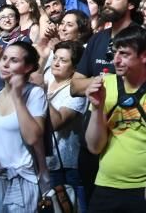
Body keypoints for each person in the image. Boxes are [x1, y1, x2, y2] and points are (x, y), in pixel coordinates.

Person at [85, 25, 146, 213]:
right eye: (115, 53)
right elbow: (94, 147)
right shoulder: (104, 85)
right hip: (106, 186)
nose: (116, 60)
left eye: (124, 54)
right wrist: (97, 108)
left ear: (144, 56)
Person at [0, 42, 48, 213]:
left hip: (23, 179)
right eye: (4, 58)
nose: (5, 64)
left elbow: (33, 137)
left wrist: (17, 98)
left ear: (28, 67)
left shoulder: (35, 94)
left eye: (14, 60)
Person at [45, 40, 89, 212]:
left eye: (63, 60)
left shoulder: (76, 91)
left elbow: (56, 122)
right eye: (55, 58)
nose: (56, 63)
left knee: (68, 207)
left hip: (66, 164)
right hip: (44, 159)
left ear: (75, 66)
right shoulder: (47, 76)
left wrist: (41, 96)